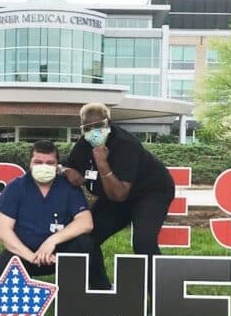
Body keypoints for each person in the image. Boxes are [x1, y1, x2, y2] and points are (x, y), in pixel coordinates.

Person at [61, 103, 175, 286]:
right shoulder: (84, 144)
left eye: (99, 126)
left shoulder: (124, 144)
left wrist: (102, 163)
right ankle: (101, 291)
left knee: (144, 242)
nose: (94, 131)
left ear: (109, 123)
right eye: (87, 127)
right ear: (81, 127)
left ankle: (162, 299)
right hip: (113, 195)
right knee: (85, 237)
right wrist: (66, 170)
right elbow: (67, 164)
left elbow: (120, 194)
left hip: (149, 192)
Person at [0, 139, 110, 289]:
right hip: (25, 253)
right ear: (30, 164)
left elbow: (85, 223)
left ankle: (98, 293)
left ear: (57, 165)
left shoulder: (68, 187)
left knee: (86, 243)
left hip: (61, 252)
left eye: (50, 163)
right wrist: (32, 257)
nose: (43, 167)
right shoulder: (16, 187)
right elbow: (3, 231)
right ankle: (20, 309)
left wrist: (51, 241)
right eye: (38, 162)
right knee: (1, 267)